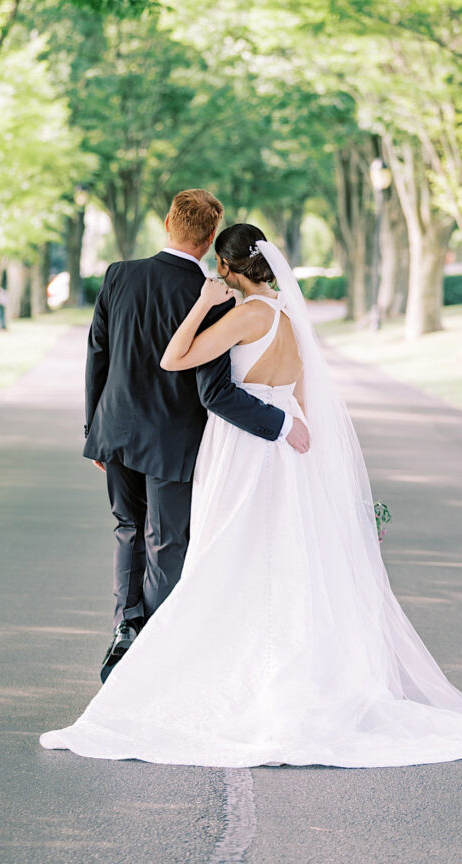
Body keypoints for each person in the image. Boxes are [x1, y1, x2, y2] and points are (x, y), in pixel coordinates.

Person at [42, 224, 462, 766]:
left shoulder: (244, 315)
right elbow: (305, 401)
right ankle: (288, 673)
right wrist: (298, 438)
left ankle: (223, 672)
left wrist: (201, 306)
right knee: (286, 556)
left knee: (227, 555)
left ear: (227, 268)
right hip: (289, 442)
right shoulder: (289, 317)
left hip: (243, 447)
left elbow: (175, 359)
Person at [81, 189, 310, 682]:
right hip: (175, 440)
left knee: (126, 528)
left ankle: (126, 627)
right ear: (210, 241)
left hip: (115, 430)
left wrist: (94, 427)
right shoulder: (216, 297)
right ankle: (157, 650)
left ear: (167, 223)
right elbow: (213, 387)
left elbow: (97, 351)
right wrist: (286, 424)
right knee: (167, 541)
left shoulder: (119, 274)